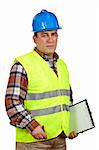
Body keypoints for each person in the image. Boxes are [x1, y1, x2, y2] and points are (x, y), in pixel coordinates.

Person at [5, 9, 78, 150]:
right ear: (35, 38)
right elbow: (12, 102)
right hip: (33, 142)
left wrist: (72, 124)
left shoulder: (62, 65)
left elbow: (66, 100)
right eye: (44, 35)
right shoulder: (23, 64)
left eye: (54, 34)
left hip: (60, 139)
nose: (50, 40)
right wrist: (32, 126)